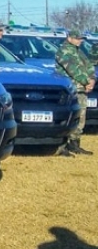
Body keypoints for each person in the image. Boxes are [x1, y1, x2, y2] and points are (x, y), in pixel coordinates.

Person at [54, 29, 95, 157]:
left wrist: (92, 79)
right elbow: (73, 69)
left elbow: (89, 65)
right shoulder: (64, 51)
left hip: (81, 88)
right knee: (70, 117)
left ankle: (75, 143)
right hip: (71, 89)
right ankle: (63, 145)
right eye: (78, 38)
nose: (80, 41)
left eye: (81, 38)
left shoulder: (78, 51)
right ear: (69, 38)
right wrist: (86, 81)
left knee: (80, 118)